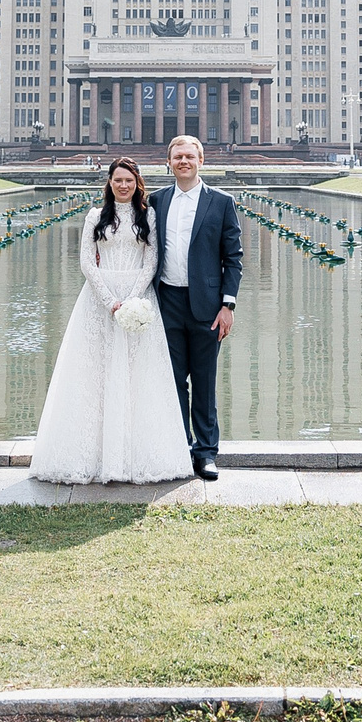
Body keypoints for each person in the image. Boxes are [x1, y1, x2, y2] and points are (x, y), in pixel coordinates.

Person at [29, 156, 191, 485]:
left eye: (129, 180)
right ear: (109, 182)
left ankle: (134, 457)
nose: (123, 185)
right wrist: (110, 301)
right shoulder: (94, 217)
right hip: (98, 300)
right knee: (95, 374)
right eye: (117, 180)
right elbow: (87, 263)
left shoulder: (149, 216)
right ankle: (94, 455)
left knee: (137, 375)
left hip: (137, 299)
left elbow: (151, 260)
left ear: (137, 183)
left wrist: (131, 298)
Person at [153, 134, 242, 480]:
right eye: (177, 157)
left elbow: (233, 258)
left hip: (207, 306)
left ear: (201, 161)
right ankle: (178, 447)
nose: (183, 162)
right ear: (169, 162)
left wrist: (228, 305)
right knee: (173, 381)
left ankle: (205, 453)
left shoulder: (221, 201)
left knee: (204, 381)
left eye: (190, 156)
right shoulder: (157, 201)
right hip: (167, 302)